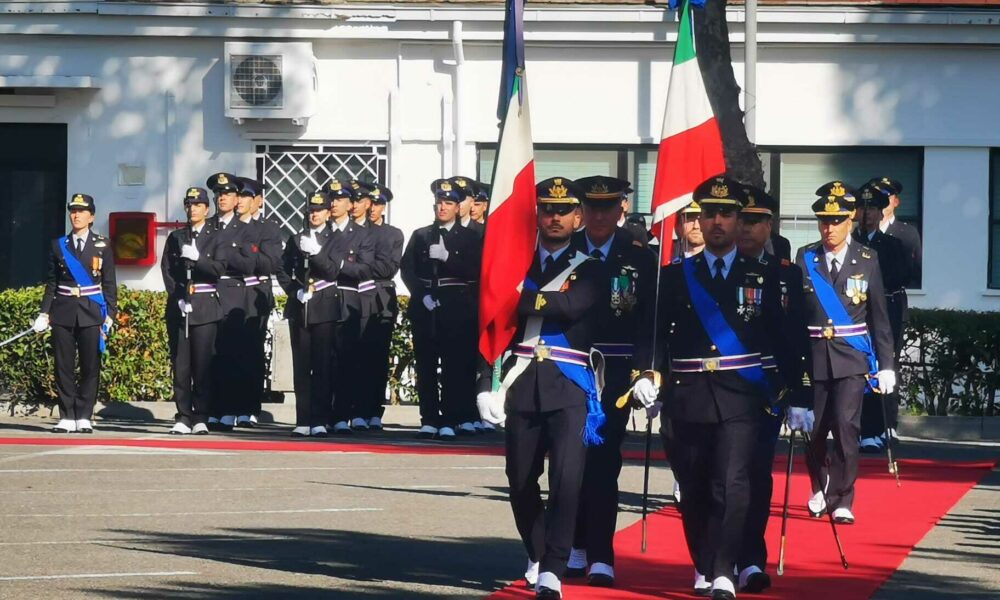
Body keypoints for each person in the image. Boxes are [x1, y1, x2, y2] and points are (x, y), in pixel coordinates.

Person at [657, 175, 793, 600]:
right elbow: (656, 334)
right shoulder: (675, 277)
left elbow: (784, 337)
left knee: (731, 482)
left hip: (740, 396)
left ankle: (723, 570)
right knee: (694, 485)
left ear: (739, 220)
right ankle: (704, 560)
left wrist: (797, 394)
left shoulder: (763, 275)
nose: (717, 221)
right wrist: (647, 374)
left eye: (727, 214)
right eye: (709, 213)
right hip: (687, 394)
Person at [478, 177, 610, 599]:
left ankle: (554, 566)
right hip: (522, 383)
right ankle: (537, 552)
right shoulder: (515, 265)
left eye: (564, 211)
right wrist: (486, 385)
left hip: (570, 387)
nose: (554, 217)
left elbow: (572, 307)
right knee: (519, 480)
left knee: (567, 480)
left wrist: (515, 295)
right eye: (547, 210)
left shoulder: (592, 268)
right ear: (537, 215)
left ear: (578, 217)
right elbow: (491, 327)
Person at [565, 176, 657, 587]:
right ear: (582, 209)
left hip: (617, 374)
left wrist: (646, 371)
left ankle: (601, 554)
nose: (600, 215)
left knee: (603, 463)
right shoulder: (565, 250)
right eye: (593, 206)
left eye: (609, 207)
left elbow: (650, 320)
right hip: (569, 368)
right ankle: (575, 544)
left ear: (622, 208)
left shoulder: (638, 255)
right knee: (569, 462)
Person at [797, 181, 895, 525]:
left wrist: (886, 365)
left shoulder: (867, 260)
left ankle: (843, 496)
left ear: (850, 219)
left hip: (851, 358)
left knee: (845, 426)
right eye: (823, 220)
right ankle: (820, 486)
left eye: (835, 220)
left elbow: (879, 317)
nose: (828, 228)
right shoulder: (805, 257)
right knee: (816, 429)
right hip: (815, 358)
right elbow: (796, 316)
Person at [735, 185, 812, 594]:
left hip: (765, 392)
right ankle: (719, 556)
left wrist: (802, 395)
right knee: (719, 478)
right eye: (740, 219)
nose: (744, 228)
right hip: (720, 387)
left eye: (754, 221)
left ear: (769, 225)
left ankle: (749, 560)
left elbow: (797, 339)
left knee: (756, 477)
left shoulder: (786, 272)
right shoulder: (718, 268)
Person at [401, 179, 482, 440]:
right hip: (426, 305)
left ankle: (449, 418)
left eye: (448, 203)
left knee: (453, 366)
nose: (442, 207)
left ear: (458, 207)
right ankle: (429, 418)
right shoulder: (422, 234)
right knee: (425, 364)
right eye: (439, 203)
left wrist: (449, 258)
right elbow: (408, 269)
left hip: (456, 306)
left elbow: (476, 271)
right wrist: (421, 294)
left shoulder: (471, 236)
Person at [35, 193, 118, 434]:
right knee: (64, 366)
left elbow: (110, 283)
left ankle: (83, 415)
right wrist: (44, 312)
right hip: (63, 311)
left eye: (82, 211)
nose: (76, 215)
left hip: (91, 311)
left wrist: (110, 313)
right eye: (73, 210)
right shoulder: (59, 245)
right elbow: (52, 283)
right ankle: (66, 415)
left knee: (90, 365)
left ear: (91, 216)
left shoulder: (103, 245)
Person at [276, 190, 343, 437]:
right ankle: (303, 419)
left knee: (323, 365)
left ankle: (320, 419)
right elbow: (282, 269)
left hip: (325, 305)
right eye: (311, 211)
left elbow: (333, 271)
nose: (314, 215)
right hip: (302, 305)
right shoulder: (296, 239)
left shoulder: (337, 238)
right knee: (302, 366)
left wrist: (317, 253)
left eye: (319, 210)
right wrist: (295, 291)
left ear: (327, 212)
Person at [161, 187, 226, 435]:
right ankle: (183, 415)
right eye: (189, 205)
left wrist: (199, 259)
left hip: (205, 304)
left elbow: (219, 269)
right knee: (181, 365)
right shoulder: (177, 237)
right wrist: (177, 296)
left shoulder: (216, 237)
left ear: (206, 209)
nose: (192, 209)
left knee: (203, 364)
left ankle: (200, 415)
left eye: (197, 205)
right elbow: (167, 269)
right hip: (181, 305)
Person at [852, 182, 910, 452]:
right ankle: (862, 427)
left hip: (885, 312)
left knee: (883, 366)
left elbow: (901, 276)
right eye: (862, 208)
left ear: (880, 212)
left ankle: (882, 424)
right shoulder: (851, 244)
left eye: (872, 208)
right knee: (857, 368)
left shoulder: (892, 244)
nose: (867, 214)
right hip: (856, 314)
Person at [319, 180, 377, 434]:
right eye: (331, 198)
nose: (334, 203)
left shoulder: (362, 234)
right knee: (322, 360)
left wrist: (338, 265)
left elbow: (364, 269)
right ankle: (320, 414)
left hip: (348, 298)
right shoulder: (320, 229)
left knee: (346, 359)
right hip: (321, 298)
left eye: (340, 199)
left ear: (351, 204)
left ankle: (342, 413)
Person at [205, 172, 258, 431]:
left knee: (232, 354)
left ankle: (230, 409)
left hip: (234, 291)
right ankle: (210, 408)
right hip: (207, 292)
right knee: (209, 354)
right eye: (218, 194)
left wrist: (223, 260)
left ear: (237, 198)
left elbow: (250, 264)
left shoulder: (246, 229)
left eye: (227, 194)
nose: (222, 198)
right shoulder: (207, 226)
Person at [233, 177, 283, 428]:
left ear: (258, 201)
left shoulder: (268, 229)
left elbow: (271, 263)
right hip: (227, 293)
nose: (239, 201)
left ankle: (249, 407)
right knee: (225, 352)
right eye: (237, 196)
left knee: (251, 353)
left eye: (245, 197)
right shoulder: (224, 226)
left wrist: (246, 251)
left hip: (254, 296)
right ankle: (225, 406)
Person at [354, 182, 403, 430]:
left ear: (383, 206)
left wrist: (358, 266)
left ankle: (374, 409)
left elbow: (388, 268)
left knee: (377, 357)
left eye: (376, 204)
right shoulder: (357, 230)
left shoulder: (392, 234)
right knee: (354, 357)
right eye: (368, 203)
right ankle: (355, 408)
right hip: (356, 295)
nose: (371, 208)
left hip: (380, 298)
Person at [876, 177, 922, 289]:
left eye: (886, 197)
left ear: (896, 202)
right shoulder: (862, 232)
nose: (882, 201)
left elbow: (916, 268)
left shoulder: (908, 233)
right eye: (878, 197)